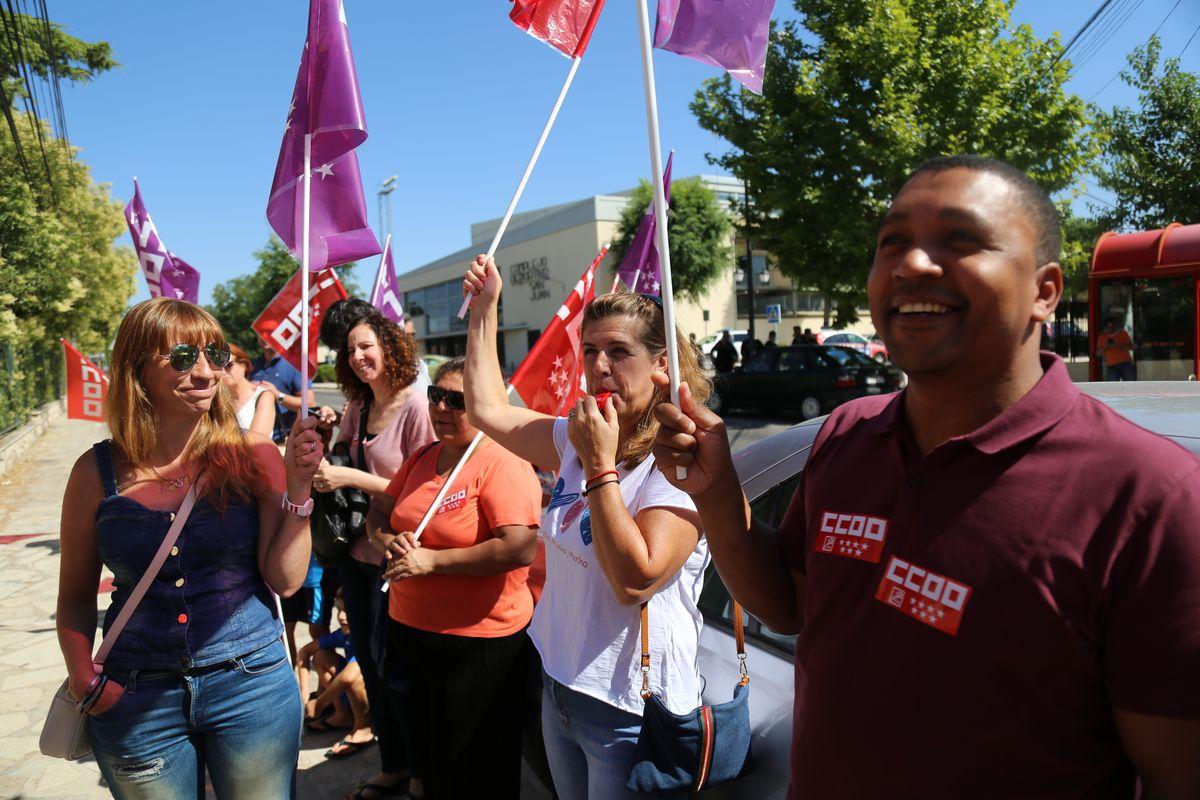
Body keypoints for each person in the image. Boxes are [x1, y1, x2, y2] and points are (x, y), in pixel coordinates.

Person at [651, 155, 1200, 798]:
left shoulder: (1153, 497)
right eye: (892, 242)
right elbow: (787, 607)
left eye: (961, 239)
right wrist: (717, 493)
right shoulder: (846, 434)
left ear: (1045, 291)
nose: (911, 263)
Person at [462, 256, 711, 800]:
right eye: (591, 350)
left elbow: (635, 580)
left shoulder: (677, 459)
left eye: (618, 352)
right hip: (560, 684)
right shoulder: (580, 437)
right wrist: (485, 309)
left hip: (630, 711)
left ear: (661, 364)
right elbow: (485, 410)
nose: (598, 366)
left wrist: (600, 466)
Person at [56, 298, 324, 798]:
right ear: (137, 368)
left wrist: (299, 490)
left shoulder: (253, 454)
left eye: (215, 356)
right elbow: (73, 594)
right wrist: (83, 678)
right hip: (135, 694)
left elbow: (286, 581)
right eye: (182, 357)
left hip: (252, 685)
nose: (205, 372)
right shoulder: (93, 473)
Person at [371, 357, 542, 799]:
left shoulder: (503, 462)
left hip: (478, 645)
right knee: (430, 757)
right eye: (436, 396)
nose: (441, 408)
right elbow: (379, 514)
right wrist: (387, 540)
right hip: (410, 630)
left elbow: (518, 547)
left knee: (479, 766)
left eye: (457, 400)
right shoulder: (423, 456)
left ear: (484, 404)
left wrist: (433, 562)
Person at [315, 308, 435, 800]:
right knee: (370, 663)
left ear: (389, 347)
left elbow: (425, 489)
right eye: (350, 350)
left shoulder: (417, 407)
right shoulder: (358, 405)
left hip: (398, 559)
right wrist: (327, 436)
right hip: (356, 554)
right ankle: (393, 765)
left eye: (367, 346)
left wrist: (349, 476)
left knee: (402, 672)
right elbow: (340, 458)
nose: (358, 356)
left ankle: (422, 772)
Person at [297, 594, 372, 760]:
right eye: (339, 609)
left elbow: (348, 677)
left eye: (348, 610)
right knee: (321, 656)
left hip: (374, 700)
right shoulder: (344, 634)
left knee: (354, 677)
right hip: (354, 693)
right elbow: (304, 652)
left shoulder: (368, 636)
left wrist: (318, 704)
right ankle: (343, 715)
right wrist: (305, 695)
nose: (341, 616)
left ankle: (364, 727)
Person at [252, 337, 316, 444]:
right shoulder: (253, 364)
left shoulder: (295, 365)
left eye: (269, 332)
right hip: (254, 436)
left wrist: (278, 395)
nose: (264, 337)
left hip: (283, 439)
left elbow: (309, 403)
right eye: (261, 333)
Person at [224, 343, 276, 439]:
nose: (223, 371)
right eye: (218, 366)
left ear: (243, 365)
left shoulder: (264, 395)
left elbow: (257, 440)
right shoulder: (219, 399)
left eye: (228, 365)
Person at [1097, 316, 1136, 381]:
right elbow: (1098, 354)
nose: (1110, 329)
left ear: (1115, 326)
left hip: (1126, 363)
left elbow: (1132, 347)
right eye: (1108, 327)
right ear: (1106, 327)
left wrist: (1117, 345)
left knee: (1128, 383)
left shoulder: (1123, 334)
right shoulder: (1102, 337)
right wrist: (1105, 346)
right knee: (1113, 385)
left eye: (1112, 326)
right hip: (1111, 365)